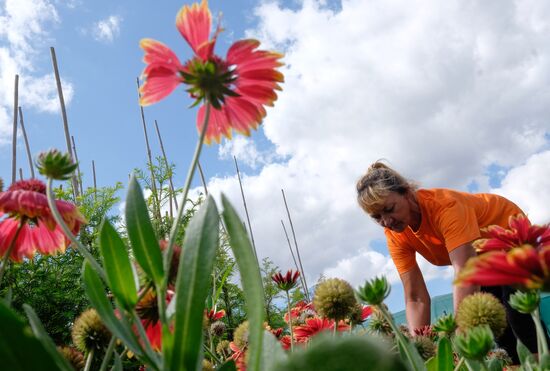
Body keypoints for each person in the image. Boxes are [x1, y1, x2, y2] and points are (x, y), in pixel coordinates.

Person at [356, 161, 539, 363]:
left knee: (517, 315)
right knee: (498, 326)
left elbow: (465, 270)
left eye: (390, 209)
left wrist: (462, 332)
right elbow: (415, 297)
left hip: (510, 236)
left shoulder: (446, 207)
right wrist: (420, 348)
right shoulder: (395, 235)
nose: (387, 221)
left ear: (407, 194)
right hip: (481, 257)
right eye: (377, 217)